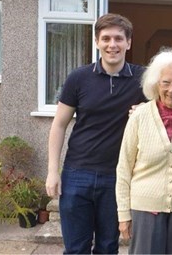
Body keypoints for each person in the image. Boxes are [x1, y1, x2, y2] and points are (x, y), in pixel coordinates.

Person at [46, 13, 147, 254]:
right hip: (76, 173)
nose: (113, 45)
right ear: (97, 42)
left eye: (119, 39)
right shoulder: (79, 78)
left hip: (117, 177)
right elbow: (59, 125)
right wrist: (52, 172)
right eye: (106, 38)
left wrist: (146, 109)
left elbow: (166, 110)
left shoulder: (143, 79)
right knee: (75, 248)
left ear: (128, 43)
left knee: (108, 247)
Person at [115, 49, 172, 254]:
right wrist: (123, 214)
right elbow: (124, 168)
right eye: (166, 82)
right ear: (155, 83)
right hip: (145, 209)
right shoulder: (140, 115)